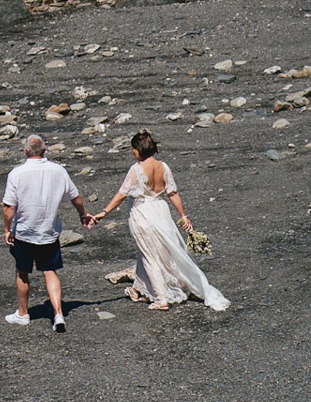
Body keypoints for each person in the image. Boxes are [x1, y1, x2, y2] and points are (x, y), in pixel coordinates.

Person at [88, 130, 229, 311]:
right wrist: (183, 215)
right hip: (161, 210)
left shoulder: (136, 169)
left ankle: (161, 298)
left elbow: (122, 194)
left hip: (142, 212)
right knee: (156, 251)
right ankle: (139, 288)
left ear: (138, 150)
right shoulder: (164, 166)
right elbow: (172, 193)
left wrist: (104, 212)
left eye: (133, 149)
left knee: (149, 255)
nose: (133, 152)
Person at [1, 133, 91, 332]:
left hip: (24, 231)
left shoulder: (17, 173)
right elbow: (75, 196)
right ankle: (58, 313)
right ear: (45, 150)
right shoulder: (58, 170)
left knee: (22, 272)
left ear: (25, 151)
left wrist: (7, 229)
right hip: (48, 230)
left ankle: (23, 313)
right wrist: (83, 214)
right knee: (50, 271)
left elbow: (8, 206)